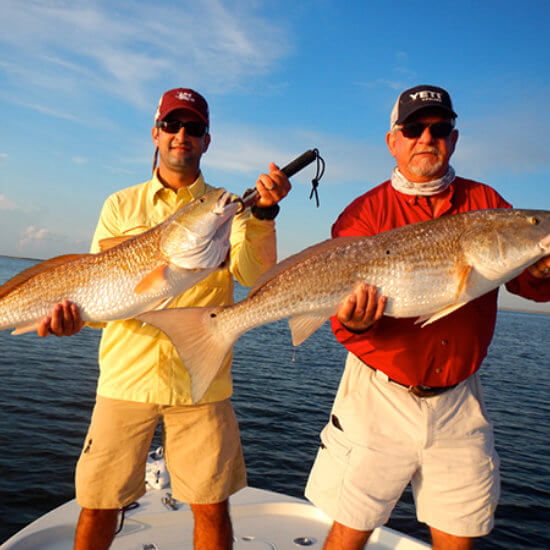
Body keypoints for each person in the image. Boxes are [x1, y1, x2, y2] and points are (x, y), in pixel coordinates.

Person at [37, 87, 291, 550]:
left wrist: (265, 214)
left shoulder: (229, 205)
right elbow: (99, 295)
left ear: (206, 141)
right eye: (172, 126)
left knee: (212, 506)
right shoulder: (120, 206)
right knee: (97, 503)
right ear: (155, 134)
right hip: (126, 378)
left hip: (203, 381)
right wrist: (73, 320)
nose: (181, 135)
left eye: (193, 128)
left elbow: (255, 274)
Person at [305, 85, 550, 549]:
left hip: (460, 401)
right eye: (413, 128)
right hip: (377, 397)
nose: (427, 139)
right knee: (349, 532)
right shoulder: (363, 212)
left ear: (453, 140)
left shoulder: (487, 203)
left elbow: (527, 284)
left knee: (460, 538)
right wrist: (357, 322)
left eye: (439, 130)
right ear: (392, 141)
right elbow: (342, 321)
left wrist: (542, 268)